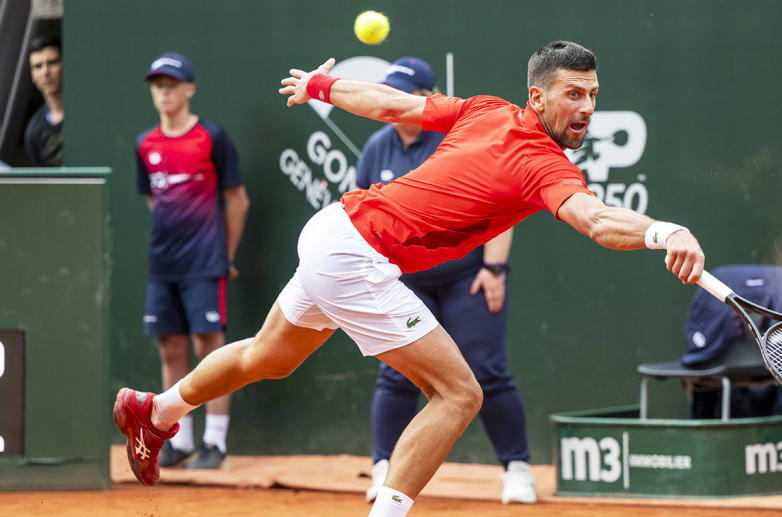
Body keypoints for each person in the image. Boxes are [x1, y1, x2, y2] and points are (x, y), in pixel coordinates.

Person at [113, 41, 704, 517]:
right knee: (459, 394)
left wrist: (322, 86)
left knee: (270, 357)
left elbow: (396, 105)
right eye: (573, 94)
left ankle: (154, 412)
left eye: (594, 96)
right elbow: (596, 220)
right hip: (356, 254)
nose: (586, 108)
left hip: (334, 232)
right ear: (539, 96)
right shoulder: (534, 154)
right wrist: (665, 231)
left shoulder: (489, 111)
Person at [356, 57, 535, 504]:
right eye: (390, 91)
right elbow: (363, 212)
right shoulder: (377, 146)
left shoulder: (454, 139)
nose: (395, 101)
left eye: (406, 93)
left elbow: (499, 206)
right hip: (403, 280)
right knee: (395, 375)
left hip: (466, 277)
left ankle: (516, 468)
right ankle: (384, 468)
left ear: (426, 100)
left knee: (487, 371)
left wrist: (494, 269)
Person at [134, 52, 250, 470]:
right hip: (163, 264)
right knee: (171, 347)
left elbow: (237, 201)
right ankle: (179, 440)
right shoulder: (144, 144)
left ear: (189, 89)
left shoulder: (212, 138)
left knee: (209, 347)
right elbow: (154, 200)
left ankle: (214, 441)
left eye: (172, 84)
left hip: (205, 260)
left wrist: (225, 255)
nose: (164, 92)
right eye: (157, 85)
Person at [23, 37, 64, 167]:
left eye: (52, 62)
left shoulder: (88, 114)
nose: (45, 71)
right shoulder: (34, 132)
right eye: (38, 66)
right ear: (32, 75)